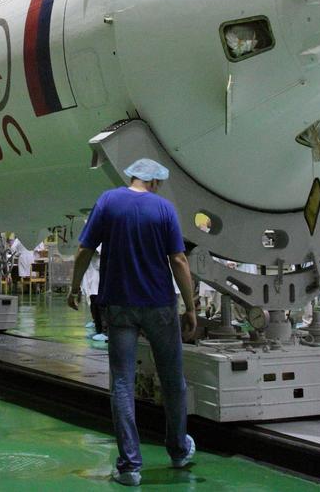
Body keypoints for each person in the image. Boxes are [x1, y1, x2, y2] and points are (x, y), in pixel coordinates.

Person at [68, 158, 197, 487]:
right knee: (172, 381)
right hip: (159, 306)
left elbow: (85, 249)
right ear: (154, 182)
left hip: (120, 306)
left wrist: (73, 287)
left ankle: (129, 467)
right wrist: (191, 307)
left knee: (122, 384)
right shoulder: (164, 209)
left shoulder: (109, 201)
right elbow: (179, 260)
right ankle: (179, 449)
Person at [81, 246, 105, 341]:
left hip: (98, 273)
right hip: (92, 273)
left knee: (100, 304)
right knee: (93, 301)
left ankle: (104, 331)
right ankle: (98, 330)